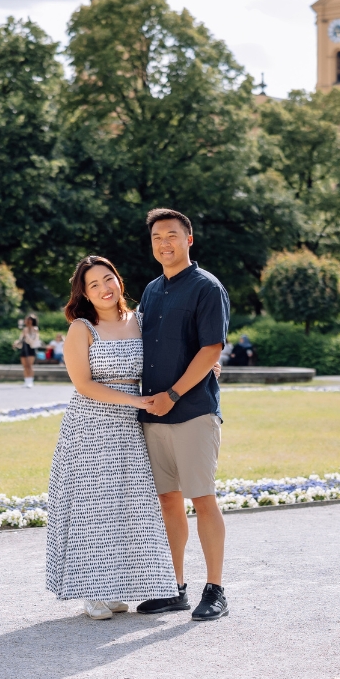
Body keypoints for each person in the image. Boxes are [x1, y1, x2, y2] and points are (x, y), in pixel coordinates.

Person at [47, 255, 177, 620]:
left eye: (108, 279)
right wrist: (134, 399)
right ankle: (91, 591)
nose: (104, 288)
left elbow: (168, 355)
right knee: (92, 506)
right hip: (89, 424)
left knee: (125, 505)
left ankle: (114, 586)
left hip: (130, 426)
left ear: (119, 281)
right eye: (94, 285)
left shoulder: (140, 320)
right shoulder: (81, 329)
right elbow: (84, 384)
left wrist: (208, 363)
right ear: (84, 294)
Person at [136, 208, 231, 622]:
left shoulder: (207, 287)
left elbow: (212, 349)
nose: (164, 243)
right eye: (157, 237)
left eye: (171, 235)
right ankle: (174, 588)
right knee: (168, 501)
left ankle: (216, 590)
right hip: (153, 415)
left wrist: (173, 394)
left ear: (188, 239)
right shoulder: (151, 290)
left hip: (192, 412)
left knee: (203, 499)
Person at [15, 314, 42, 387]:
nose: (27, 321)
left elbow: (33, 340)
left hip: (31, 348)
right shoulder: (24, 329)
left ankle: (30, 381)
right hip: (24, 348)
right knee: (25, 366)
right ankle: (26, 381)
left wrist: (26, 335)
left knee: (30, 365)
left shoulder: (35, 329)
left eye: (29, 320)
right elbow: (21, 339)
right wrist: (16, 343)